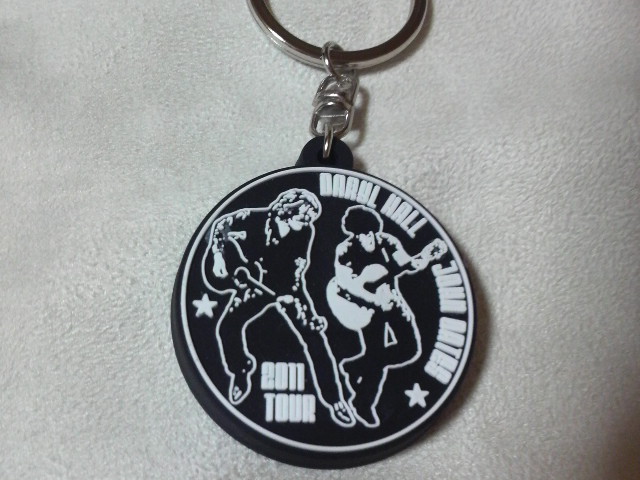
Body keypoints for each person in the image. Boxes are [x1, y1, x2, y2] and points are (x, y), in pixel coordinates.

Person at [201, 188, 355, 427]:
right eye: (305, 215)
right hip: (254, 281)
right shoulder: (251, 219)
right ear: (288, 209)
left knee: (315, 338)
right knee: (228, 327)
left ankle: (335, 400)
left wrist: (289, 298)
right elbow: (221, 225)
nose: (308, 221)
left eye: (311, 218)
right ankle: (241, 372)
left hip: (287, 286)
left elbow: (296, 273)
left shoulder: (305, 232)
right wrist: (218, 256)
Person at [327, 205, 447, 427]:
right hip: (365, 307)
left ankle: (355, 367)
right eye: (362, 234)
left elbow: (407, 263)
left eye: (371, 232)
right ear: (354, 233)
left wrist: (424, 258)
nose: (368, 238)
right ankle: (363, 404)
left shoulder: (388, 242)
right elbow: (346, 284)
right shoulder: (345, 251)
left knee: (409, 349)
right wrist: (373, 300)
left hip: (392, 301)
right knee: (376, 353)